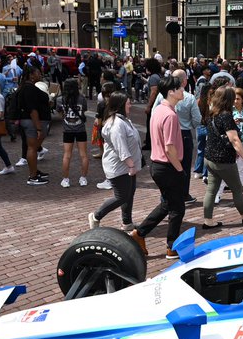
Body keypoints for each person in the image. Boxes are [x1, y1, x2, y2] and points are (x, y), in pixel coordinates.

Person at [130, 76, 190, 260]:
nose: (183, 91)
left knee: (167, 204)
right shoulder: (170, 115)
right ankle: (172, 247)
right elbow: (169, 148)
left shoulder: (159, 110)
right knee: (177, 209)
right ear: (171, 92)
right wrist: (180, 170)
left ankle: (139, 233)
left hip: (158, 165)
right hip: (167, 167)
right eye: (179, 88)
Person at [201, 88, 243, 228]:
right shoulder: (226, 116)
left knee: (211, 190)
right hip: (224, 160)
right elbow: (234, 139)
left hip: (210, 157)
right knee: (237, 189)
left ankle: (208, 221)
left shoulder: (212, 113)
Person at [90, 92, 142, 230]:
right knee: (121, 196)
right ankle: (96, 215)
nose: (130, 105)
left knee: (129, 194)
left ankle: (127, 222)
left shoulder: (123, 120)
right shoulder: (116, 124)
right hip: (120, 167)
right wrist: (131, 165)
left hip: (128, 165)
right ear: (120, 105)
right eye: (128, 103)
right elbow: (121, 148)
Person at [17, 67, 51, 186]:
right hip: (33, 122)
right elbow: (33, 110)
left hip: (32, 121)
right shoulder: (29, 89)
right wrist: (38, 128)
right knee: (32, 148)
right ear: (31, 75)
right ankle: (33, 176)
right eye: (37, 72)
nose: (40, 74)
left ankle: (35, 171)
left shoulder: (26, 87)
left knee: (33, 147)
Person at [55, 78, 90, 187]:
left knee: (67, 155)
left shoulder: (60, 99)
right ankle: (83, 178)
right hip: (80, 129)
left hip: (67, 130)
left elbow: (60, 114)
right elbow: (84, 111)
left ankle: (66, 180)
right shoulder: (82, 98)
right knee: (83, 155)